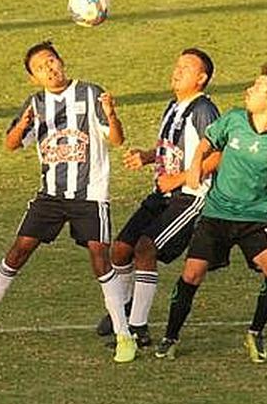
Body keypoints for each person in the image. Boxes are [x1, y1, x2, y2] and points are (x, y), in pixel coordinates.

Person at [0, 41, 138, 363]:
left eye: (51, 61)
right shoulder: (35, 103)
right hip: (50, 195)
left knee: (100, 258)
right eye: (40, 68)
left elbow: (117, 139)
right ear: (33, 78)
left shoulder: (90, 93)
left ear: (61, 62)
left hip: (89, 195)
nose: (49, 69)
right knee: (18, 251)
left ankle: (124, 334)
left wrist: (111, 114)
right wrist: (23, 125)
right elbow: (11, 144)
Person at [155, 63, 267, 362]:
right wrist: (196, 164)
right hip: (217, 214)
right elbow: (206, 143)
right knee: (192, 273)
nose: (248, 90)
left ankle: (255, 332)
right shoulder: (234, 120)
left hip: (258, 219)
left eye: (257, 87)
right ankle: (170, 336)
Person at [95, 48, 222, 347]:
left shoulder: (204, 110)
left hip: (190, 196)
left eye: (186, 68)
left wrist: (178, 179)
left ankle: (137, 327)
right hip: (162, 193)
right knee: (120, 249)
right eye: (177, 65)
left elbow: (218, 155)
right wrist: (148, 156)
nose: (177, 71)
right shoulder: (173, 106)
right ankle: (125, 308)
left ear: (201, 78)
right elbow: (173, 148)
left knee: (145, 248)